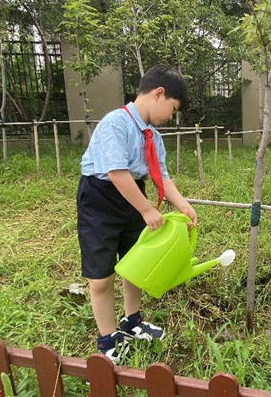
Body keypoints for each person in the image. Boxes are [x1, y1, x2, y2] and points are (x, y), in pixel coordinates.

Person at [77, 65, 198, 363]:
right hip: (101, 199)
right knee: (101, 275)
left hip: (133, 195)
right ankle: (107, 340)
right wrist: (145, 209)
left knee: (135, 262)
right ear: (159, 94)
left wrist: (182, 205)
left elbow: (162, 177)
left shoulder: (153, 136)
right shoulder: (115, 123)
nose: (170, 117)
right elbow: (117, 173)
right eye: (172, 108)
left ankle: (132, 321)